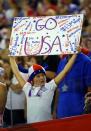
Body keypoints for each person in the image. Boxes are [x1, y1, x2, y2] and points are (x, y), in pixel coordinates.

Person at [9, 53, 77, 124]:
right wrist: (11, 58)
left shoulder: (50, 86)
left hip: (47, 126)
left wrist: (75, 55)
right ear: (32, 79)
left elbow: (65, 71)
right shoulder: (27, 87)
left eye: (43, 75)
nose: (41, 77)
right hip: (32, 127)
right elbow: (16, 73)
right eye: (38, 76)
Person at [55, 52, 91, 119]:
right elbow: (58, 89)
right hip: (61, 113)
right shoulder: (62, 62)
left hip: (80, 115)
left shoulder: (87, 62)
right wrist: (55, 111)